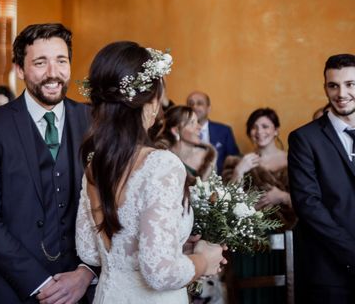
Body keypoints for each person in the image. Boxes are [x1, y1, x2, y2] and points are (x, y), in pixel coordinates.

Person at [76, 41, 225, 303]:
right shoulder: (161, 165)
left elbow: (89, 251)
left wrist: (171, 247)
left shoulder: (95, 164)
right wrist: (204, 260)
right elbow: (160, 273)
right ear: (152, 102)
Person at [0, 23, 96, 304]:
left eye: (61, 61)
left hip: (81, 290)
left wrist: (87, 272)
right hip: (11, 289)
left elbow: (110, 208)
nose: (53, 73)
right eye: (40, 62)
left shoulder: (92, 120)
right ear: (19, 69)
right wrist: (38, 282)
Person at [288, 54, 355, 303]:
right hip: (329, 274)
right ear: (325, 87)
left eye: (351, 84)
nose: (342, 93)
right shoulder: (304, 139)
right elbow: (308, 205)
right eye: (333, 85)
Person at [223, 108, 296, 304]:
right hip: (250, 240)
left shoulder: (293, 160)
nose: (259, 131)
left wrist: (281, 196)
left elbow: (308, 200)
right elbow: (225, 202)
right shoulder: (238, 161)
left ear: (276, 130)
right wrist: (239, 170)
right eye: (254, 127)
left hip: (287, 237)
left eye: (265, 126)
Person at [155, 105, 217, 183]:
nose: (199, 127)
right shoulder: (163, 158)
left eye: (197, 121)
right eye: (192, 123)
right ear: (176, 131)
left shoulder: (208, 157)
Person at [186, 91, 239, 173]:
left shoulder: (224, 131)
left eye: (199, 103)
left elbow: (234, 161)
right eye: (190, 104)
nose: (194, 107)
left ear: (208, 108)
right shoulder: (182, 131)